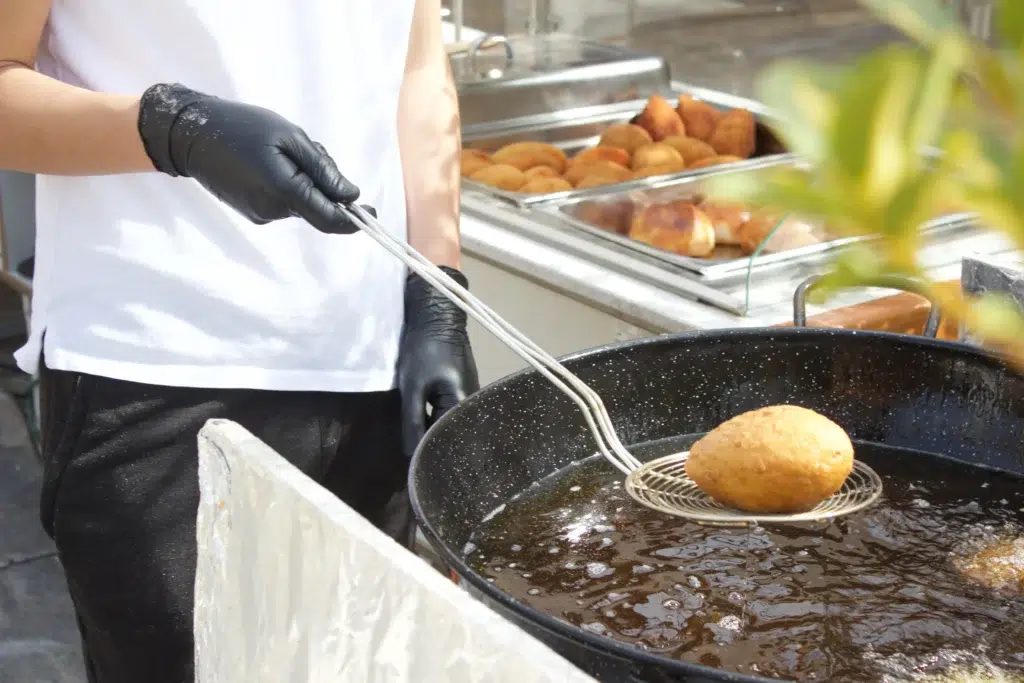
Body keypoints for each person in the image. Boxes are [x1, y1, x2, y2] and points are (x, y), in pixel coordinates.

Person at [0, 1, 479, 681]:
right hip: (155, 379)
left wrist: (437, 290)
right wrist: (170, 130)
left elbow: (418, 68)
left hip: (370, 376)